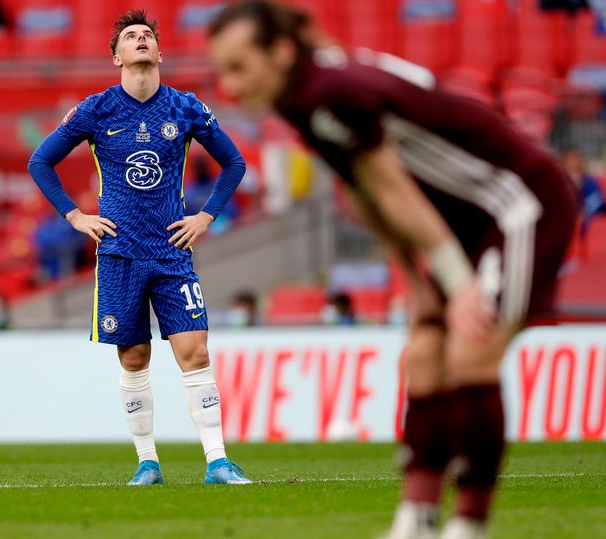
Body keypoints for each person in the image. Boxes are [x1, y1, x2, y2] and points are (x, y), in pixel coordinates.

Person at [208, 2, 577, 538]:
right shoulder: (299, 97)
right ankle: (417, 519)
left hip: (520, 203)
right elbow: (367, 196)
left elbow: (392, 188)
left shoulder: (328, 92)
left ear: (281, 52)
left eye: (239, 67)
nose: (229, 86)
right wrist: (416, 282)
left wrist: (455, 283)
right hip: (467, 221)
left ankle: (470, 525)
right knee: (424, 355)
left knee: (471, 349)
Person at [28, 10, 250, 486]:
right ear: (116, 57)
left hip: (172, 251)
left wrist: (206, 215)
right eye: (130, 37)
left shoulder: (185, 107)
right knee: (133, 358)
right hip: (119, 252)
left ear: (159, 52)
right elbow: (40, 160)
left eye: (147, 34)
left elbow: (233, 163)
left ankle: (217, 461)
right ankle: (148, 463)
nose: (140, 40)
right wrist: (75, 215)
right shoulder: (96, 109)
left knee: (195, 351)